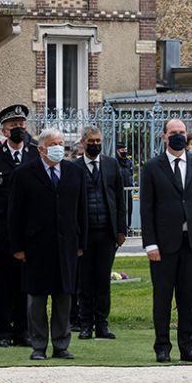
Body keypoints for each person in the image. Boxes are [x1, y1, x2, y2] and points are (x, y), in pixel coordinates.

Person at [140, 118, 192, 363]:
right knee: (162, 297)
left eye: (181, 132)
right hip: (163, 244)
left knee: (188, 297)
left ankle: (187, 346)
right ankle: (162, 347)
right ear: (164, 136)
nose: (178, 136)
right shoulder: (152, 167)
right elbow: (147, 208)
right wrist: (150, 243)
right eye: (173, 132)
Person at [8, 128, 87, 360]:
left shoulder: (74, 172)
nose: (59, 147)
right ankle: (39, 345)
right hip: (36, 246)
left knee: (64, 297)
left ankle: (61, 345)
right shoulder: (24, 174)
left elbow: (82, 210)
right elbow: (15, 214)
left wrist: (81, 242)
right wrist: (18, 246)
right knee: (37, 300)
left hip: (67, 245)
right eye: (54, 143)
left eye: (61, 143)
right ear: (42, 149)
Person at [0, 104, 40, 348]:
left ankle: (23, 331)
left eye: (21, 125)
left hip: (29, 231)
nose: (18, 130)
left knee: (27, 283)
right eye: (13, 126)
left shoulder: (35, 154)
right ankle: (3, 331)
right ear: (3, 131)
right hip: (1, 230)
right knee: (4, 283)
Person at [76, 127, 126, 340]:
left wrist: (121, 230)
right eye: (91, 141)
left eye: (98, 140)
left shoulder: (111, 164)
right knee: (85, 281)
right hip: (85, 234)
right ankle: (86, 324)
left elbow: (120, 200)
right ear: (83, 142)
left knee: (103, 280)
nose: (95, 144)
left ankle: (102, 324)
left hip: (107, 232)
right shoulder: (74, 167)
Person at [116, 140, 135, 229]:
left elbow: (131, 173)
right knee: (120, 210)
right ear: (117, 151)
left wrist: (132, 184)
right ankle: (120, 228)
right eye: (122, 150)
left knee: (129, 209)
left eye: (125, 149)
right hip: (118, 191)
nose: (124, 152)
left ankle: (128, 226)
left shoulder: (129, 162)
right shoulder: (114, 162)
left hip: (128, 190)